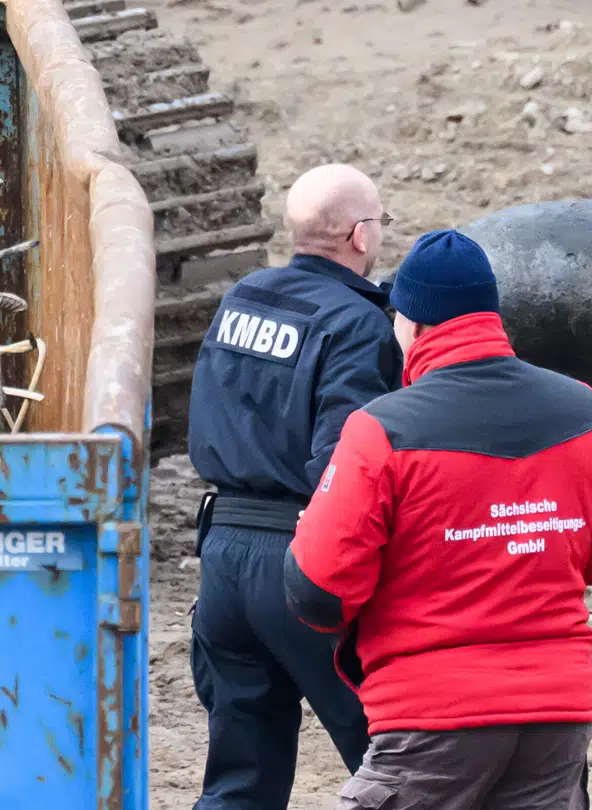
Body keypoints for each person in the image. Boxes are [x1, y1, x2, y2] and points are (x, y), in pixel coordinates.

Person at [282, 229, 592, 810]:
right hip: (557, 716)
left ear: (414, 324)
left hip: (430, 719)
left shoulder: (381, 429)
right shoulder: (584, 408)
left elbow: (319, 592)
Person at [186, 164, 405, 810]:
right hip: (303, 561)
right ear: (360, 236)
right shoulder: (359, 324)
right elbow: (346, 463)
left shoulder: (243, 297)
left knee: (240, 780)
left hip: (222, 557)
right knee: (395, 761)